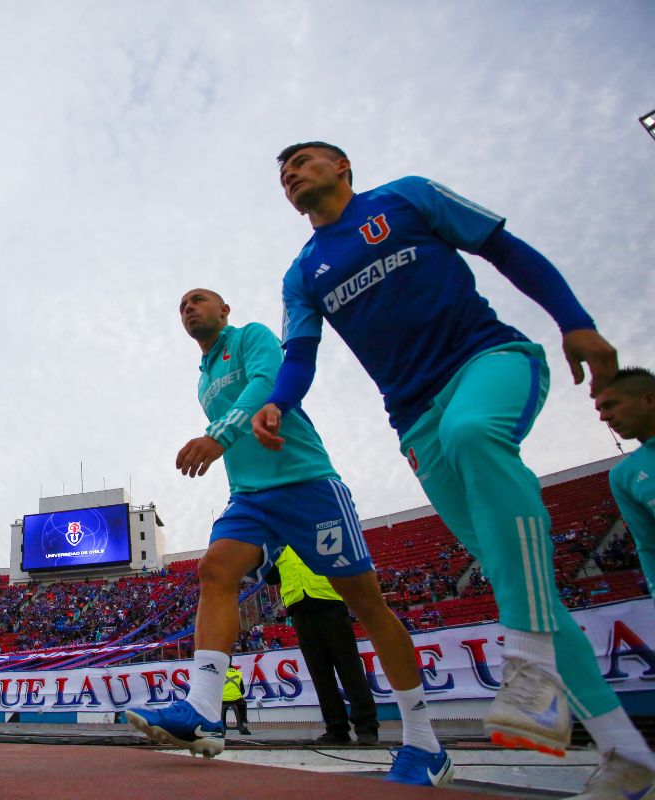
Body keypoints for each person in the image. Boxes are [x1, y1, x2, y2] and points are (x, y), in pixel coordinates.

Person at [256, 142, 655, 797]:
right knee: (518, 577)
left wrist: (576, 321)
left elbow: (506, 248)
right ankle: (626, 754)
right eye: (283, 171)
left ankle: (526, 658)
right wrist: (277, 400)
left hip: (489, 361)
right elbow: (300, 354)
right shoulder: (303, 273)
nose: (291, 173)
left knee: (474, 434)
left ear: (343, 169)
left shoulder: (407, 196)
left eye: (304, 160)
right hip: (414, 421)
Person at [127, 289, 450, 786]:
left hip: (305, 483)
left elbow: (269, 382)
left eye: (198, 300)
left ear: (224, 310)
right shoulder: (204, 379)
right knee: (214, 569)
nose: (188, 309)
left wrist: (219, 436)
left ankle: (425, 743)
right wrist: (229, 459)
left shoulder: (251, 336)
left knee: (366, 604)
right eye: (181, 307)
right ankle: (204, 710)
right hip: (250, 496)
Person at [272, 546, 378, 745]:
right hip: (298, 606)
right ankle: (336, 728)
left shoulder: (311, 529)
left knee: (349, 667)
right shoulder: (279, 543)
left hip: (329, 600)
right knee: (320, 673)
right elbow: (271, 577)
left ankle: (367, 726)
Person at [597, 367, 655, 599]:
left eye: (610, 405)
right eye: (599, 409)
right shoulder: (623, 475)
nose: (603, 417)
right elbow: (649, 546)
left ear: (649, 399)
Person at [221, 658, 250, 736]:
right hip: (236, 699)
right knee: (243, 704)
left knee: (217, 707)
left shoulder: (219, 673)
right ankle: (244, 727)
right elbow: (242, 691)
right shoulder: (238, 673)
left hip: (222, 700)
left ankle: (220, 729)